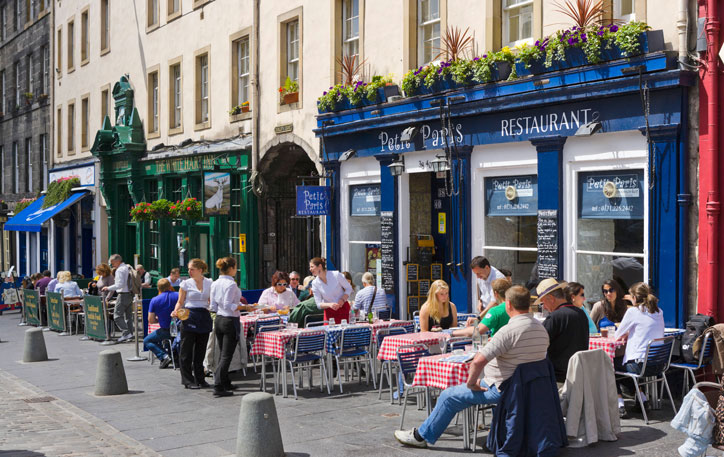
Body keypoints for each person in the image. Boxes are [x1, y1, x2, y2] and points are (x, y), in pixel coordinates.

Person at [394, 285, 550, 448]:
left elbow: (477, 361)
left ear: (508, 304)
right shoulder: (541, 329)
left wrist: (471, 383)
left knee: (449, 395)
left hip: (501, 388)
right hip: (531, 388)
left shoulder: (508, 331)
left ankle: (421, 436)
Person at [614, 282, 664, 417]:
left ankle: (620, 404)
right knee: (625, 365)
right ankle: (642, 399)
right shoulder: (659, 312)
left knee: (610, 364)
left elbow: (617, 334)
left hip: (640, 366)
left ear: (634, 297)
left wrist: (626, 332)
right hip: (659, 366)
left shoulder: (633, 312)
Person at [535, 278, 590, 383]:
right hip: (579, 374)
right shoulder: (581, 313)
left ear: (551, 298)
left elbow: (539, 344)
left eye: (543, 303)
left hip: (558, 377)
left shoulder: (555, 317)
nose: (544, 307)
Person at [171, 259, 213, 389]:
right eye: (189, 269)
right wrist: (175, 310)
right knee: (186, 349)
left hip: (204, 315)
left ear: (200, 270)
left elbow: (211, 300)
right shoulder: (185, 284)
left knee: (201, 350)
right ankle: (188, 380)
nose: (189, 271)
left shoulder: (210, 282)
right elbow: (180, 301)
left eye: (192, 269)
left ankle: (200, 378)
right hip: (189, 316)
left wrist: (212, 307)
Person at [210, 257, 247, 397]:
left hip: (219, 319)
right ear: (231, 268)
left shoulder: (215, 283)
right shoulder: (231, 284)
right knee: (227, 355)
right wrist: (244, 307)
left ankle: (225, 381)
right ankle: (218, 385)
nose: (236, 270)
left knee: (223, 353)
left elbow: (213, 306)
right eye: (235, 267)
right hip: (230, 320)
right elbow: (228, 305)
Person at [144, 279, 178, 369]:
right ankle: (174, 357)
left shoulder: (155, 300)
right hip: (180, 328)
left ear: (158, 288)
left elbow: (150, 320)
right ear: (170, 285)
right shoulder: (178, 295)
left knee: (147, 340)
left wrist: (159, 320)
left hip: (166, 330)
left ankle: (164, 356)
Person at [103, 254, 135, 343]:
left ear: (117, 261)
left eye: (112, 263)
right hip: (130, 294)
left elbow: (120, 284)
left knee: (117, 316)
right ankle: (130, 334)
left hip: (123, 294)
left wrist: (108, 288)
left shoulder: (120, 270)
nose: (112, 265)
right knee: (128, 316)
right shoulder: (127, 267)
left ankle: (126, 333)